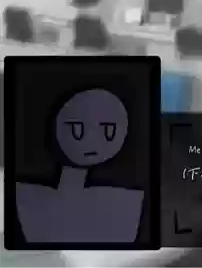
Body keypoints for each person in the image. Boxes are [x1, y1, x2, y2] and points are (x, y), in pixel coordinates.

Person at [16, 89, 144, 243]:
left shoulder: (123, 203)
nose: (91, 141)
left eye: (108, 131)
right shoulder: (29, 197)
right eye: (77, 130)